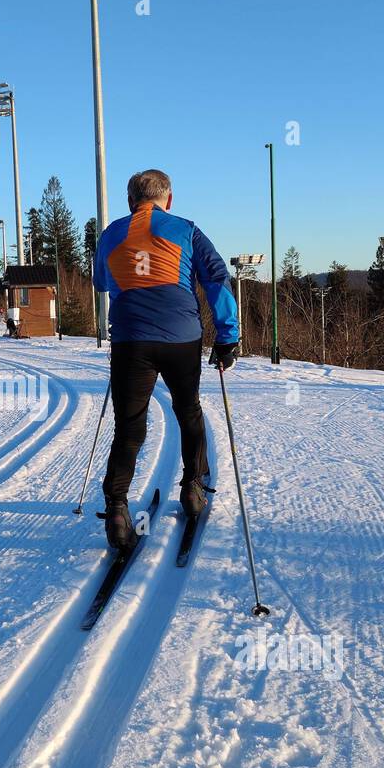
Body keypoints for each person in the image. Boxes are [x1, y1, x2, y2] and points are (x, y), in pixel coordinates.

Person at [92, 169, 239, 550]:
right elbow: (216, 279)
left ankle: (118, 510)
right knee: (188, 410)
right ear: (168, 199)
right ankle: (193, 488)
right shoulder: (187, 230)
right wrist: (228, 337)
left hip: (131, 340)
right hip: (181, 338)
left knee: (129, 426)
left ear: (130, 201)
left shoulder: (111, 234)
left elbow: (101, 282)